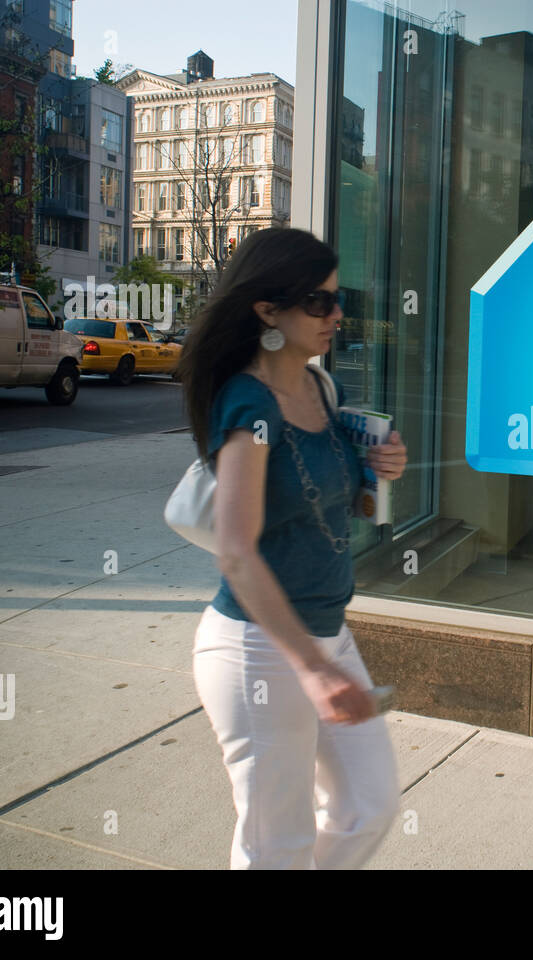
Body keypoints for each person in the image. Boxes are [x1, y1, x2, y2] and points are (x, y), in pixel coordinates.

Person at [177, 227, 408, 869]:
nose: (337, 315)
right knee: (277, 846)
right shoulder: (250, 405)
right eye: (319, 302)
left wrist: (380, 465)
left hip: (328, 632)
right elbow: (235, 552)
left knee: (370, 804)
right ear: (267, 311)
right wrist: (309, 667)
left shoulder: (320, 388)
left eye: (341, 301)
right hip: (260, 647)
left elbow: (327, 493)